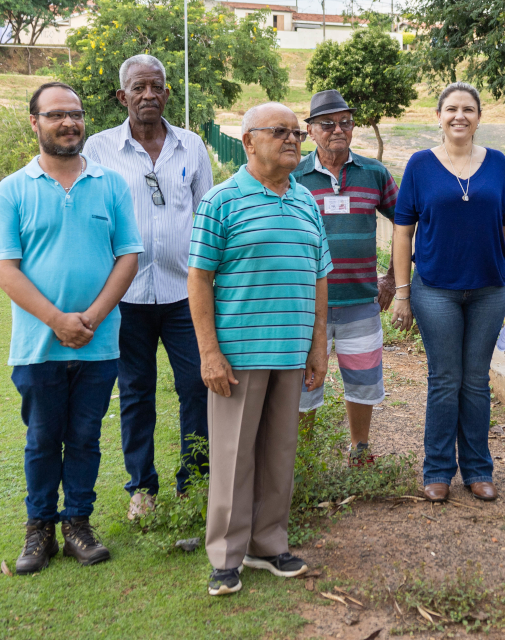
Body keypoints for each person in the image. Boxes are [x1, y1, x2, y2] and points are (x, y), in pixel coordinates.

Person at [0, 82, 143, 574]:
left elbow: (128, 256)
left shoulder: (111, 184)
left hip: (99, 344)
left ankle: (78, 523)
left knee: (84, 437)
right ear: (34, 122)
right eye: (56, 115)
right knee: (41, 439)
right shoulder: (13, 189)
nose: (69, 123)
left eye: (75, 114)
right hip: (38, 345)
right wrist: (57, 320)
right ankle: (39, 532)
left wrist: (92, 318)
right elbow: (6, 270)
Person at [188, 102, 331, 596]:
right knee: (233, 457)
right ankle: (226, 556)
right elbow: (199, 279)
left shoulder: (306, 201)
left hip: (291, 353)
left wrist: (318, 346)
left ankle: (269, 544)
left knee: (278, 454)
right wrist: (209, 352)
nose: (293, 140)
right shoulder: (221, 201)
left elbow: (319, 277)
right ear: (248, 141)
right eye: (280, 132)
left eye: (297, 133)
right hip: (239, 354)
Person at [84, 54, 215, 521]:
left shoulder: (191, 146)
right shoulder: (98, 151)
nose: (148, 95)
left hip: (186, 295)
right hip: (126, 298)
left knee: (197, 387)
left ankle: (194, 481)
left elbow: (206, 218)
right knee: (136, 392)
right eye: (138, 88)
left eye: (156, 87)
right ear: (122, 96)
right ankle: (142, 486)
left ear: (166, 92)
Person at [391, 82, 505, 504]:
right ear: (438, 115)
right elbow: (402, 231)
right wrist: (401, 292)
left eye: (468, 109)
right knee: (445, 379)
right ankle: (437, 470)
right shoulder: (419, 165)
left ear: (479, 117)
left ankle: (478, 469)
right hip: (435, 290)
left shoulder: (498, 163)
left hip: (489, 289)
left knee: (476, 382)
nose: (459, 116)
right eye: (451, 109)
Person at [291, 89, 400, 464]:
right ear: (310, 130)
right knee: (305, 383)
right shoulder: (295, 176)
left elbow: (405, 222)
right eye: (327, 124)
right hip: (308, 306)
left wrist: (392, 277)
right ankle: (304, 458)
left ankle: (360, 447)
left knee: (363, 379)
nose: (338, 130)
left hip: (360, 300)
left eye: (345, 122)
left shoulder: (374, 173)